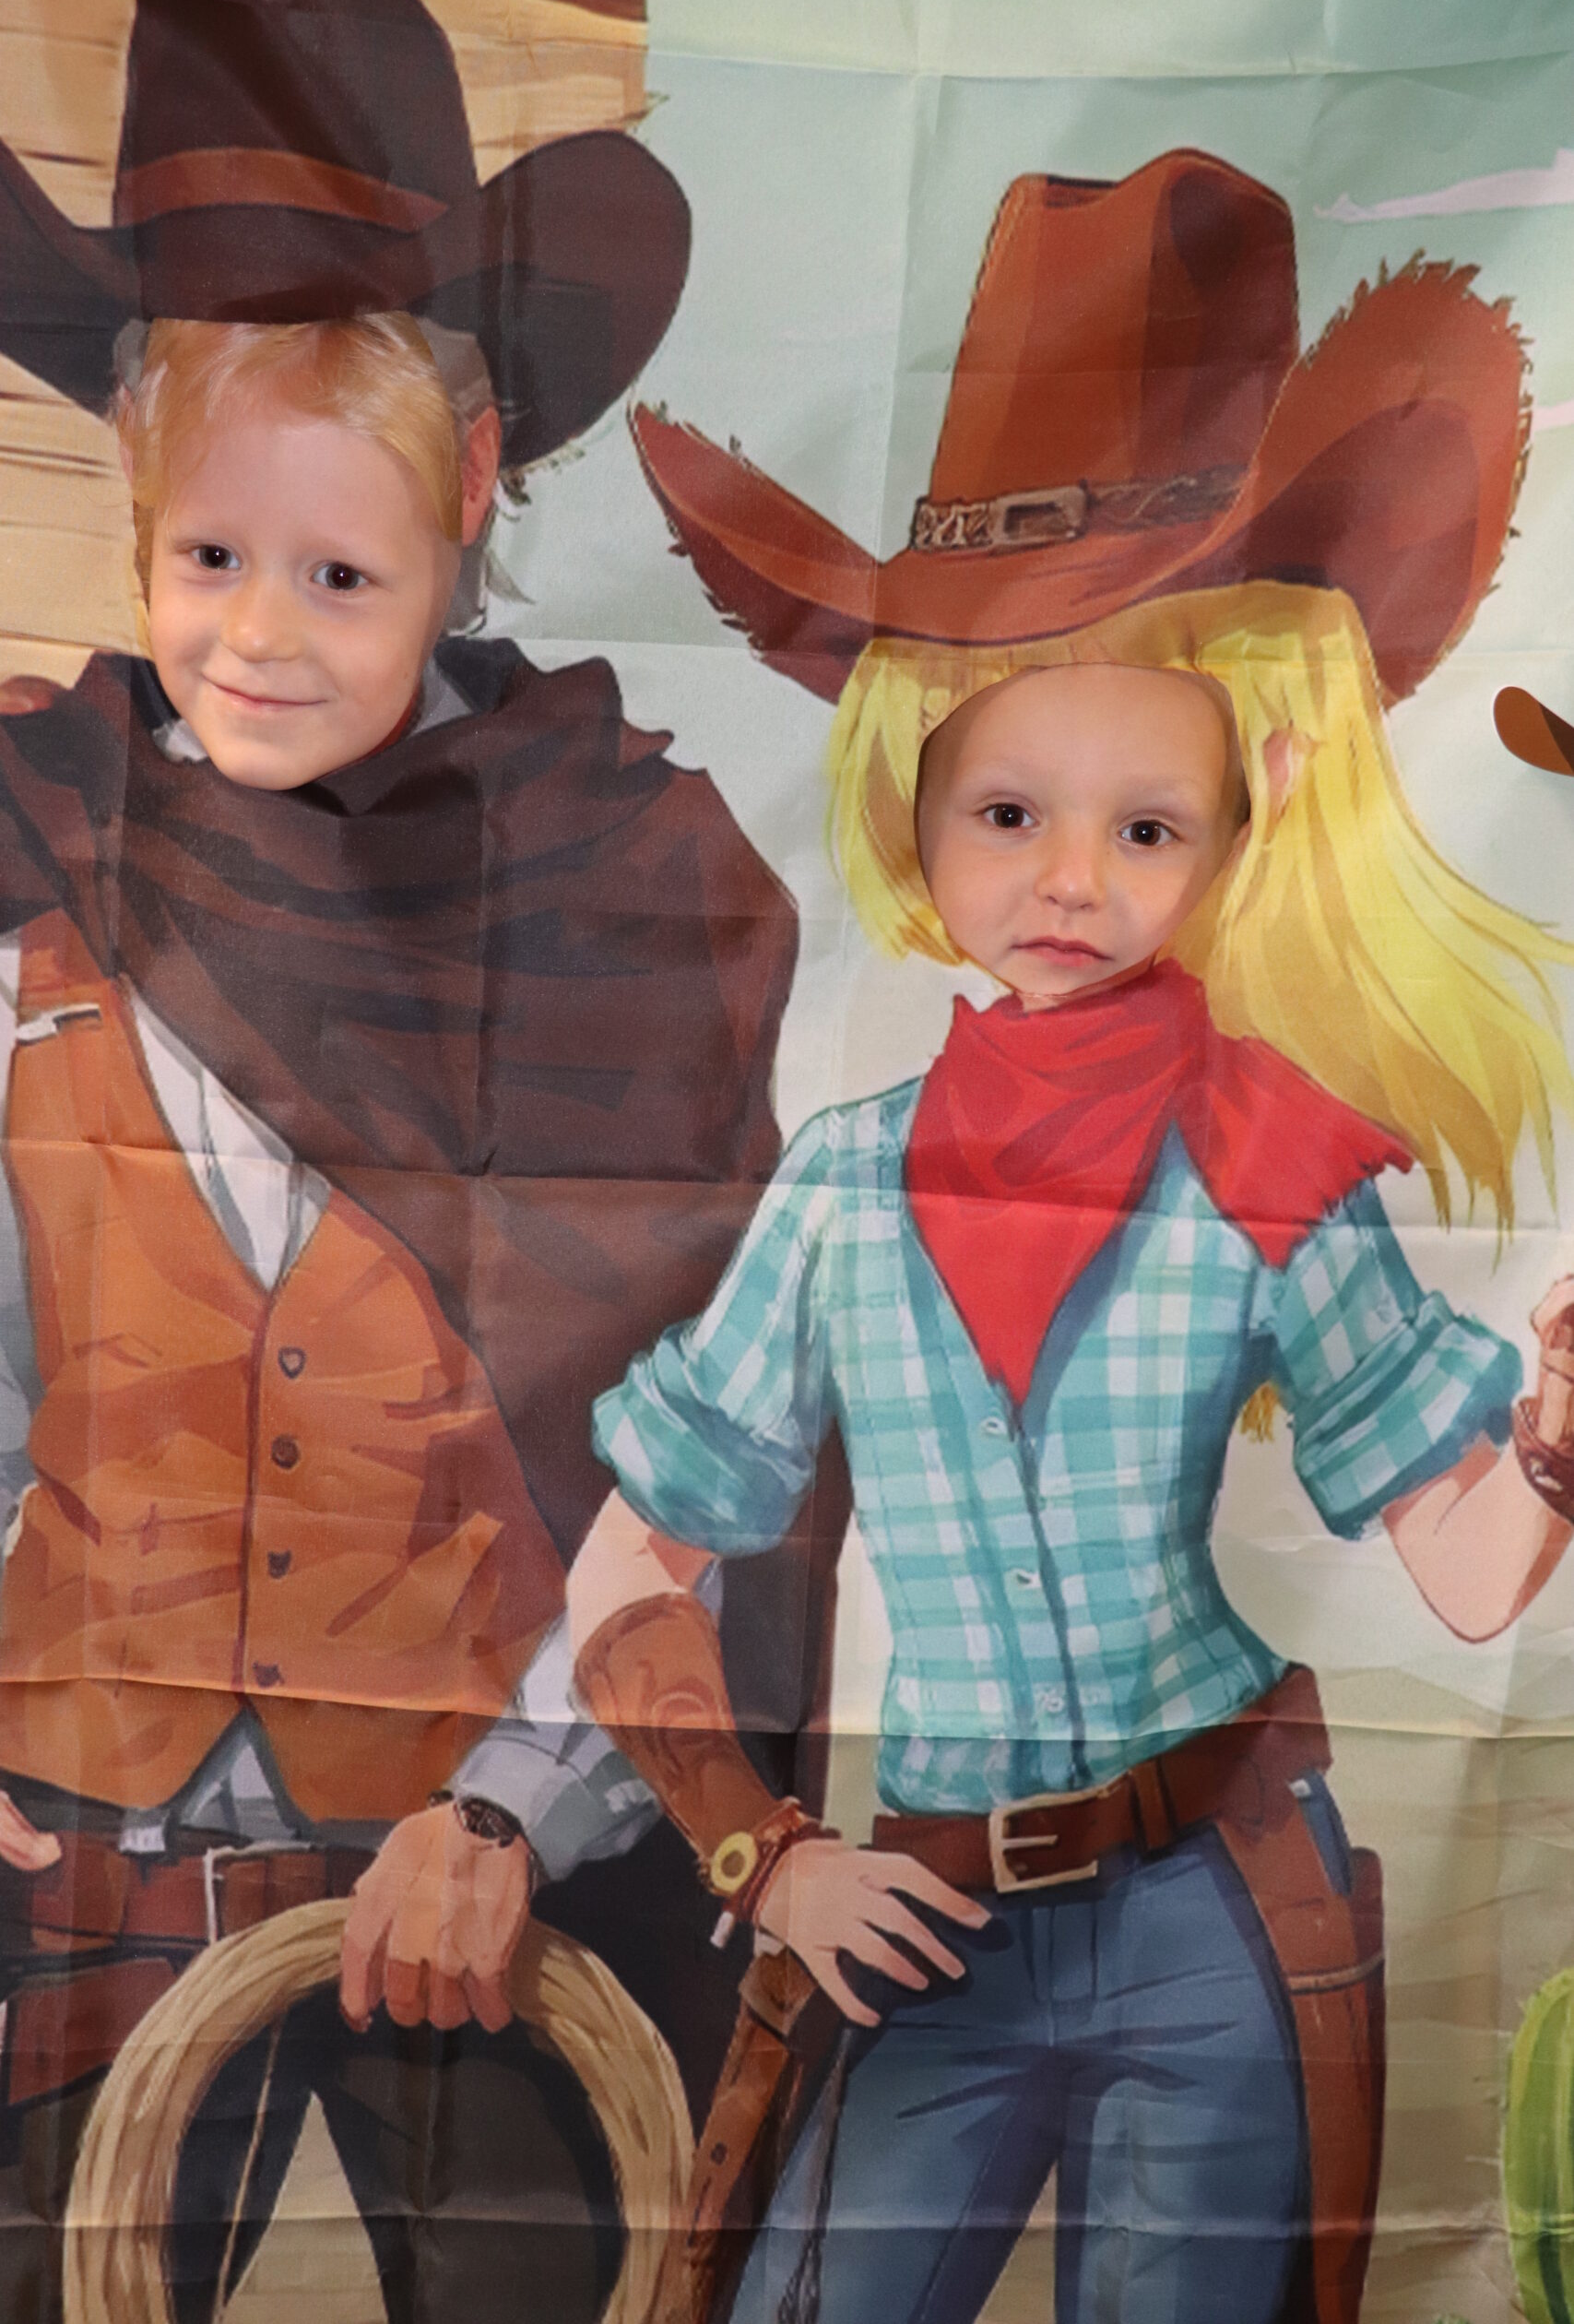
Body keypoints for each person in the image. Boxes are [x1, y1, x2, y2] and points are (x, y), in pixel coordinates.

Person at [0, 0, 844, 2312]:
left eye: (339, 574)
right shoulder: (36, 845)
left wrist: (511, 1801)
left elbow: (709, 1447)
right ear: (140, 507)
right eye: (206, 558)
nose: (256, 637)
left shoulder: (637, 888)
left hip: (484, 1885)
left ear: (467, 495)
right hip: (70, 1868)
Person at [566, 636, 1574, 2324]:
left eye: (1148, 829)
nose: (1073, 881)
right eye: (1012, 813)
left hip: (1216, 1909)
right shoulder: (843, 1187)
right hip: (932, 1909)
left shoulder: (1271, 1162)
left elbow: (1471, 1578)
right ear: (918, 825)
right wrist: (766, 1856)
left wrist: (1559, 1417)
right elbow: (628, 1567)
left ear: (1233, 841)